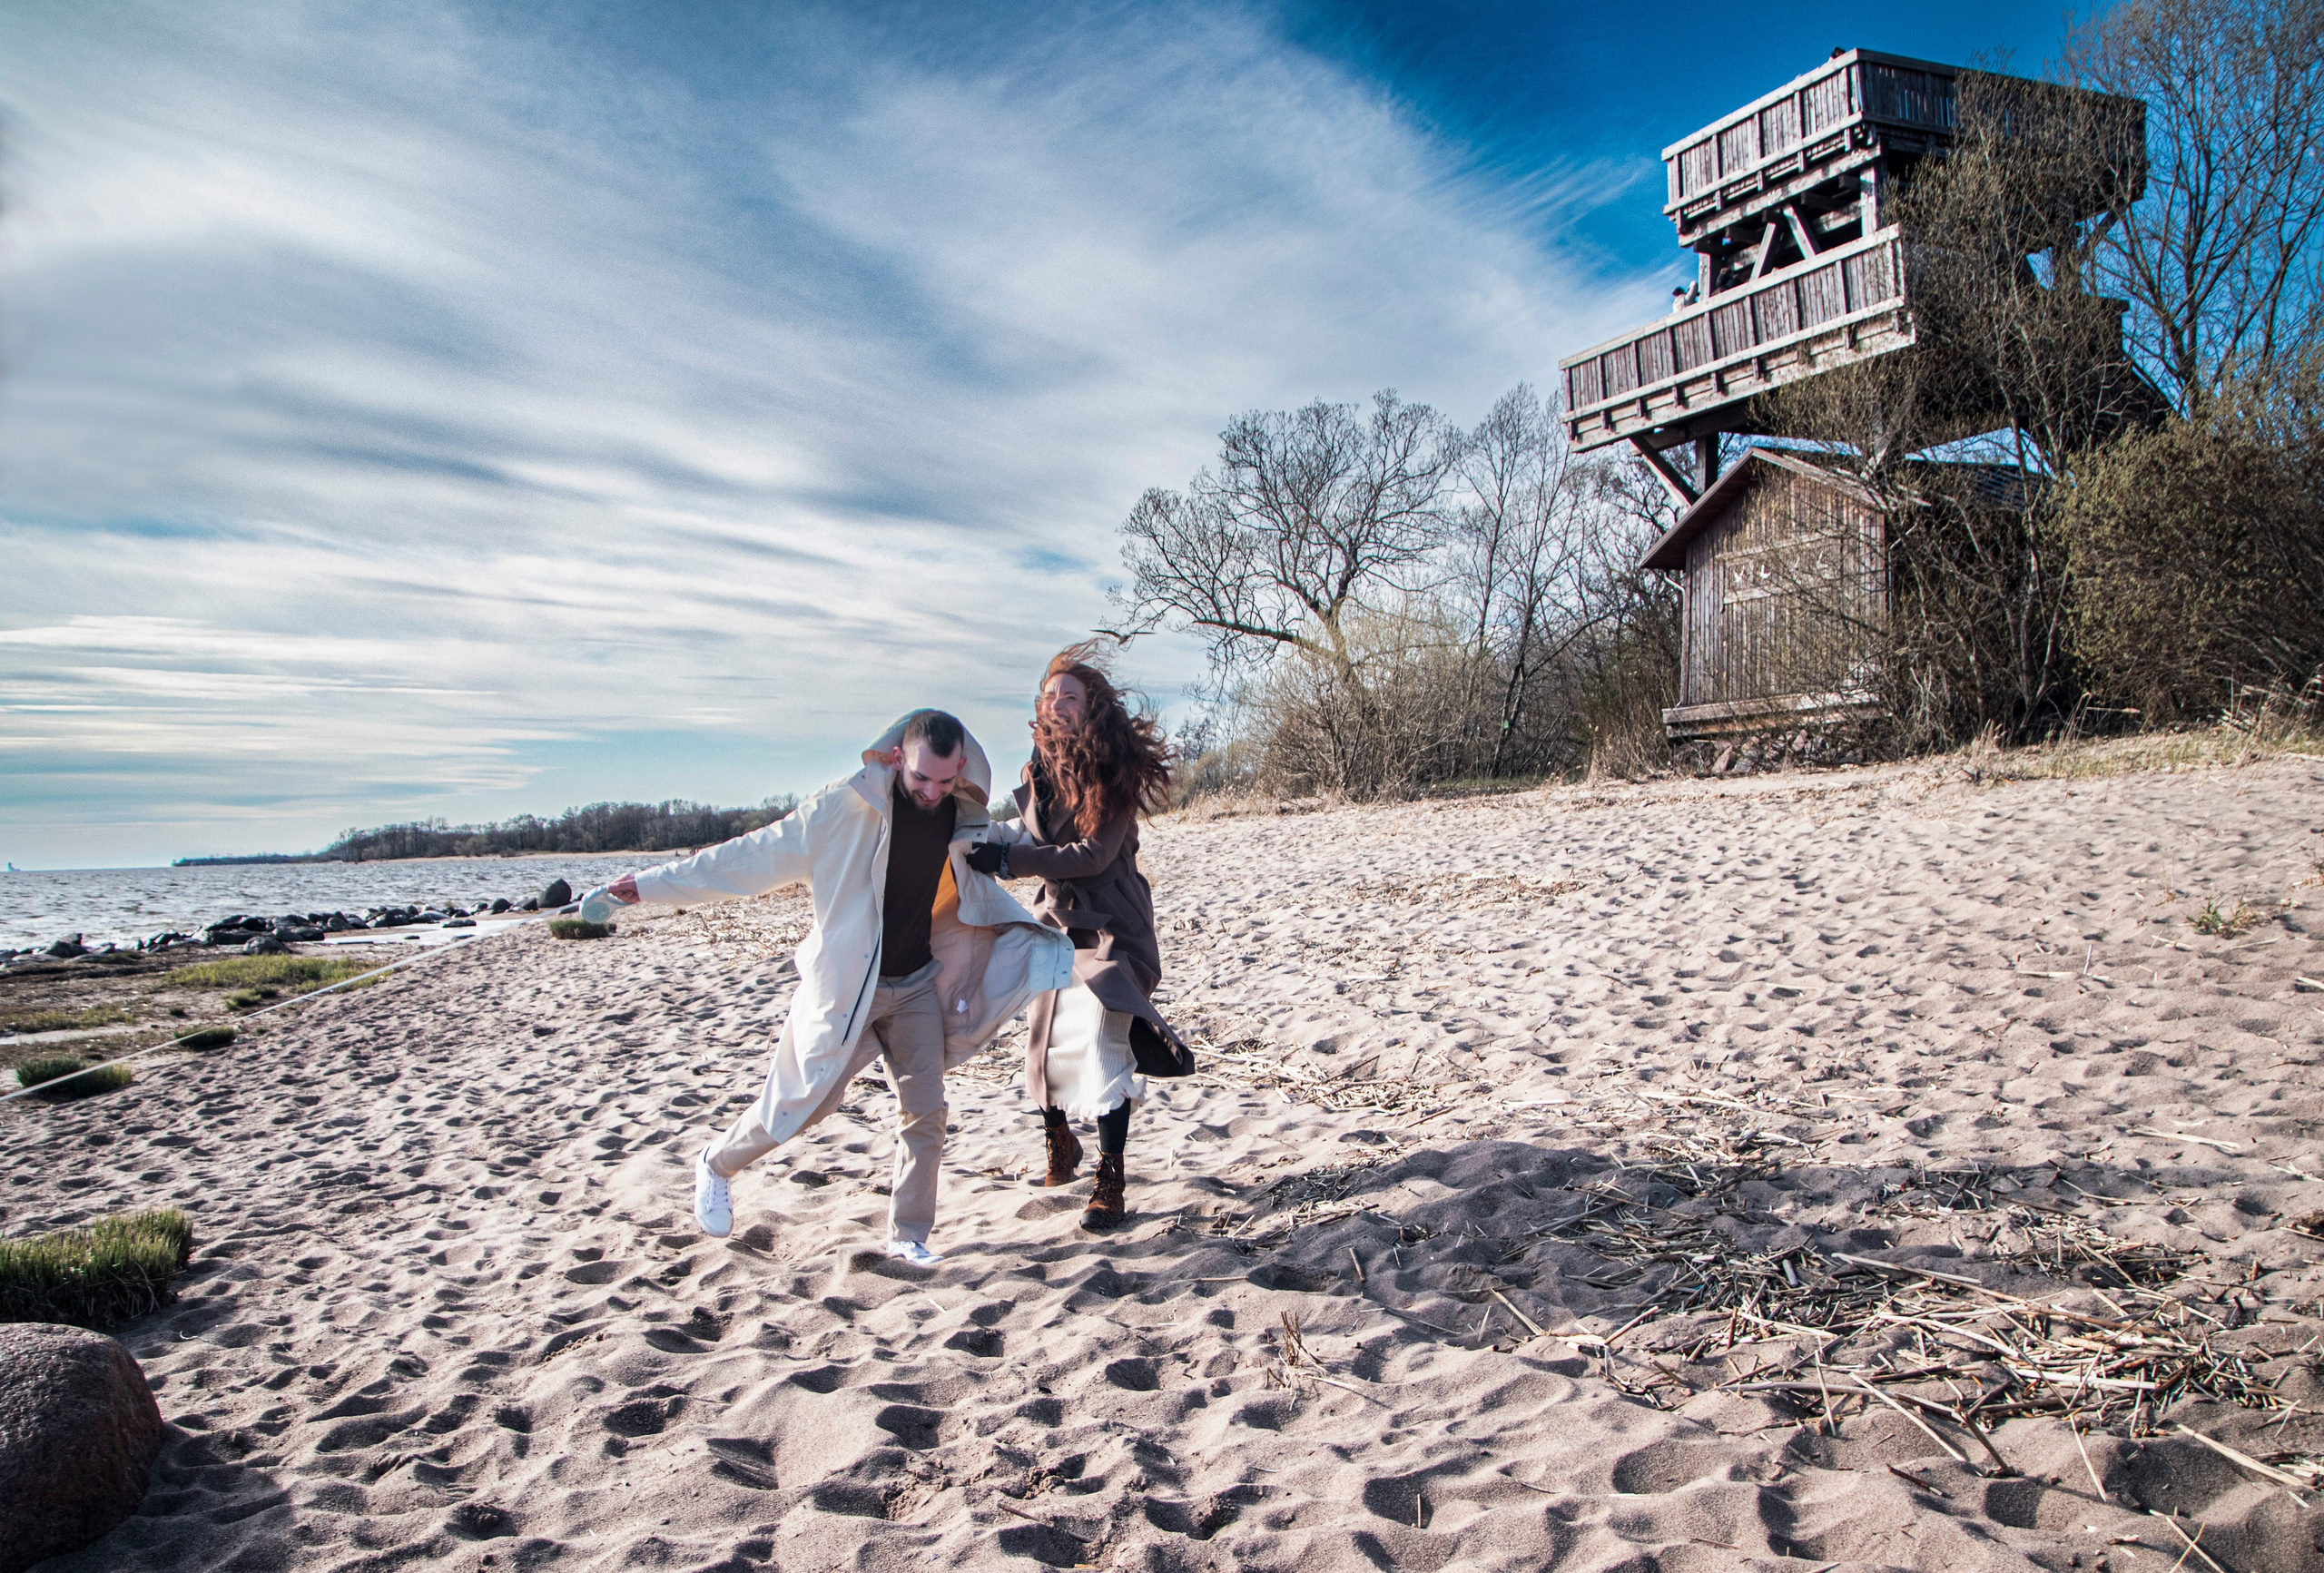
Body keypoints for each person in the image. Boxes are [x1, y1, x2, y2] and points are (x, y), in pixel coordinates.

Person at [585, 710, 1071, 1264]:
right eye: (920, 780)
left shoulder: (959, 815)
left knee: (927, 1111)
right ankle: (716, 1163)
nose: (931, 792)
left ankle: (908, 1235)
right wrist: (647, 885)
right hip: (848, 991)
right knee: (803, 1105)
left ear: (959, 766)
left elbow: (1004, 843)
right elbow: (749, 856)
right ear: (896, 759)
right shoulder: (840, 810)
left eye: (942, 780)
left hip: (916, 986)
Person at [964, 644, 1184, 1231]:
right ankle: (1060, 1139)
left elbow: (1092, 853)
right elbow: (1024, 829)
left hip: (1113, 923)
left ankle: (1109, 1179)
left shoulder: (1114, 772)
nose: (1057, 702)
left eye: (1071, 695)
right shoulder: (1036, 770)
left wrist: (1009, 860)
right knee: (1045, 1041)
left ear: (1092, 709)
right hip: (1057, 921)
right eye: (1050, 695)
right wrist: (962, 836)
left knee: (1102, 1034)